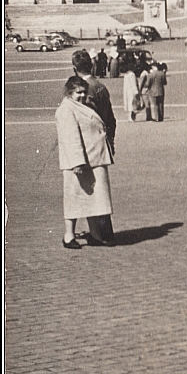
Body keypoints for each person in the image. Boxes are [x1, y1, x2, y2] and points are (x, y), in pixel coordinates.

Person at [56, 76, 115, 250]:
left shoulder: (80, 106)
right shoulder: (66, 109)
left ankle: (95, 235)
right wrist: (77, 163)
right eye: (78, 93)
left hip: (93, 159)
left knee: (93, 200)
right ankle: (69, 236)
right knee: (74, 201)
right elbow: (70, 138)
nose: (82, 95)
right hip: (80, 163)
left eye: (83, 92)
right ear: (69, 93)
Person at [71, 50, 116, 246]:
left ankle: (100, 234)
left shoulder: (82, 91)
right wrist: (111, 141)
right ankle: (101, 232)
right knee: (101, 189)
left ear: (74, 69)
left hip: (87, 145)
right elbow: (111, 119)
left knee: (89, 189)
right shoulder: (101, 87)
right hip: (102, 143)